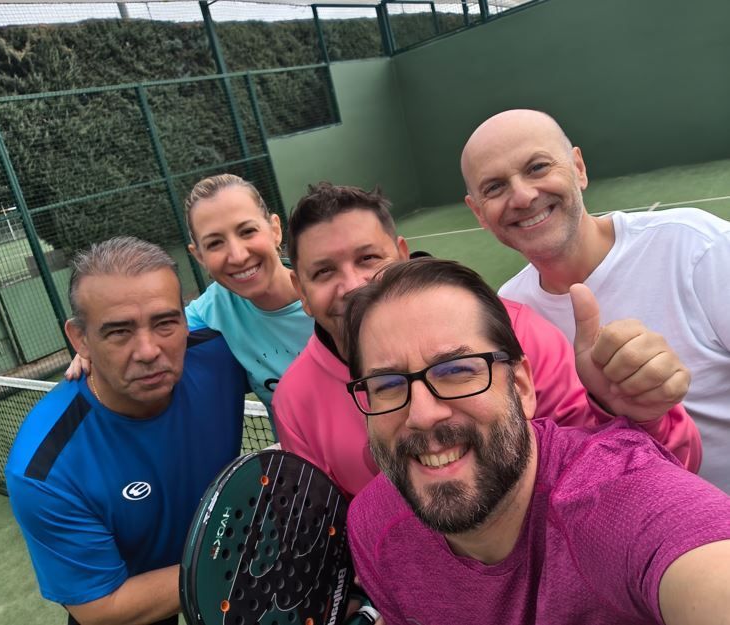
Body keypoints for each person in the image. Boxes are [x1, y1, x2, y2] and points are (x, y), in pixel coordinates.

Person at [344, 257, 730, 625]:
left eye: (458, 370)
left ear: (522, 386)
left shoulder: (616, 499)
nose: (423, 415)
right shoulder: (373, 523)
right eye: (387, 385)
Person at [272, 182, 699, 499]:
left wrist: (638, 415)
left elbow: (648, 474)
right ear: (300, 289)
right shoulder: (294, 400)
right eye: (324, 272)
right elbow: (330, 521)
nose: (353, 285)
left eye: (368, 258)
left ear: (402, 256)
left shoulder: (520, 333)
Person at [461, 108, 730, 492]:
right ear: (479, 214)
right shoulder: (509, 313)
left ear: (578, 168)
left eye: (537, 167)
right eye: (494, 187)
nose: (522, 196)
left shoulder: (696, 246)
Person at [5, 237, 249, 625]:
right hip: (133, 600)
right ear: (80, 338)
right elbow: (102, 607)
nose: (149, 350)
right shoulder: (44, 469)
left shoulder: (220, 355)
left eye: (165, 322)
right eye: (119, 332)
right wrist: (236, 557)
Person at [67, 174, 313, 418]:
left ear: (275, 230)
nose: (237, 255)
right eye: (215, 243)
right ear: (199, 256)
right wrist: (92, 345)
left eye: (247, 231)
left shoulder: (330, 291)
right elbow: (155, 329)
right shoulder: (210, 311)